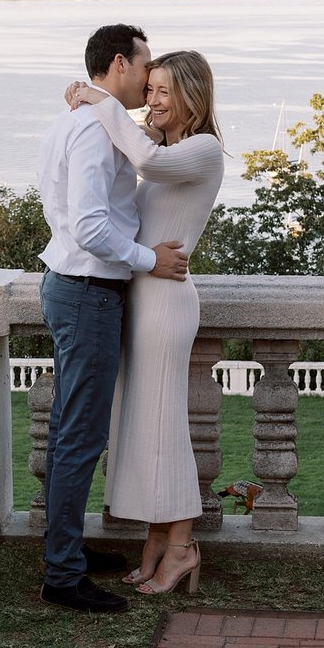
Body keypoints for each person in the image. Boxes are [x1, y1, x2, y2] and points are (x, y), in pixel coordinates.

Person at [37, 24, 190, 614]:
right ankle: (63, 573)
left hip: (70, 286)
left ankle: (65, 548)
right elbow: (92, 228)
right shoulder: (97, 134)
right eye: (146, 66)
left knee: (69, 432)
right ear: (121, 63)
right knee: (80, 436)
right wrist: (151, 260)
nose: (151, 81)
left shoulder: (78, 121)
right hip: (87, 293)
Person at [69, 50, 225, 595]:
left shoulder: (203, 152)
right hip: (139, 297)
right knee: (140, 428)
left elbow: (146, 165)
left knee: (166, 429)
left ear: (190, 96)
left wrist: (104, 101)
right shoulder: (164, 145)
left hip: (165, 305)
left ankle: (182, 547)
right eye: (149, 89)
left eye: (162, 92)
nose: (151, 102)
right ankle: (157, 540)